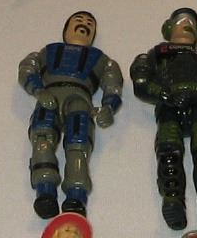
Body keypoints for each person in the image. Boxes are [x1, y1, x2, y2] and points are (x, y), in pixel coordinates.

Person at [130, 8, 197, 231]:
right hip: (170, 106)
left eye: (191, 22)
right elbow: (140, 83)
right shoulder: (155, 54)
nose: (187, 24)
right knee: (169, 152)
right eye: (181, 21)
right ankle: (172, 199)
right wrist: (165, 95)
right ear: (169, 28)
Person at [17, 11, 122, 218]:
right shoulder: (48, 52)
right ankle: (45, 191)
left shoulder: (102, 60)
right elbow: (26, 69)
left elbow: (113, 85)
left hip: (79, 100)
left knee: (78, 144)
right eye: (79, 21)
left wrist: (109, 107)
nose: (84, 25)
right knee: (42, 138)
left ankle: (76, 196)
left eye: (89, 24)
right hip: (49, 97)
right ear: (66, 30)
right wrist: (38, 90)